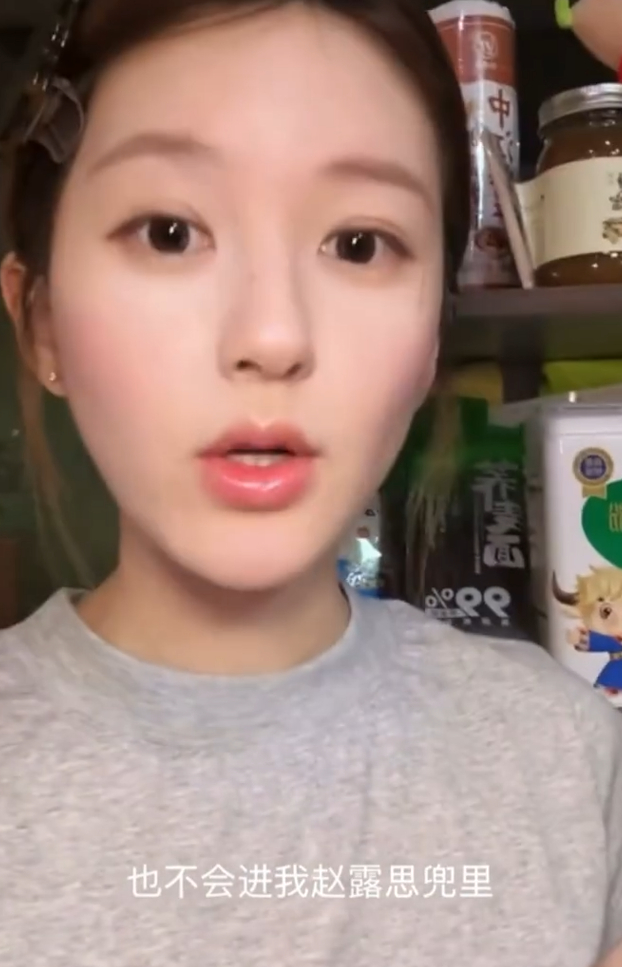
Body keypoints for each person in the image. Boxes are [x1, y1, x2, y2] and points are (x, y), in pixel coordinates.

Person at [0, 1, 620, 964]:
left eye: (359, 244)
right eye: (170, 231)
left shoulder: (568, 760)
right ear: (39, 319)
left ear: (431, 338)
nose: (273, 336)